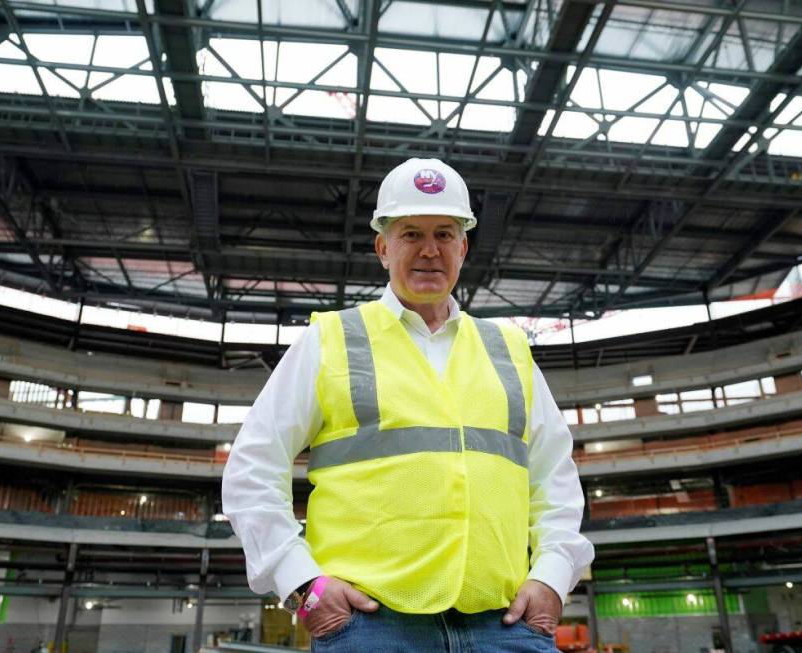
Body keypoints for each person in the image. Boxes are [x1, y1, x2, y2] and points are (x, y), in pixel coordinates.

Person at [222, 158, 594, 652]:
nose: (429, 250)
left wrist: (551, 576)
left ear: (463, 247)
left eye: (444, 233)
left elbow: (554, 479)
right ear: (382, 247)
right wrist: (301, 585)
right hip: (370, 626)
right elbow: (252, 468)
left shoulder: (508, 348)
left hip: (506, 627)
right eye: (410, 234)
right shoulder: (331, 339)